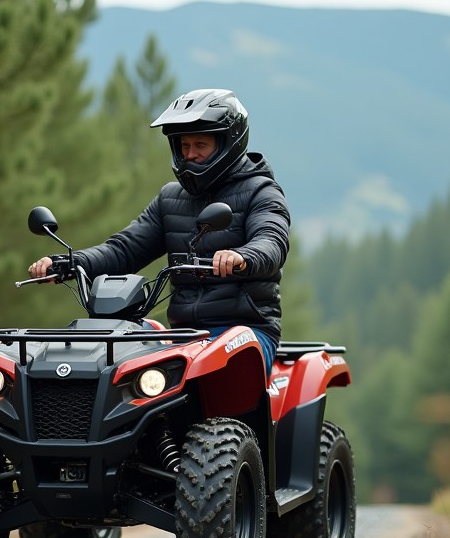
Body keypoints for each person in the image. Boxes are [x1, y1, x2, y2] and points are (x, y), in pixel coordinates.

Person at [28, 88, 290, 374]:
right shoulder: (171, 198)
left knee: (210, 372)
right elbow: (124, 250)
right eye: (184, 145)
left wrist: (243, 256)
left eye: (201, 144)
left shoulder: (261, 192)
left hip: (244, 332)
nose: (190, 154)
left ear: (228, 142)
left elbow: (271, 241)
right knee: (106, 357)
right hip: (184, 335)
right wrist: (68, 263)